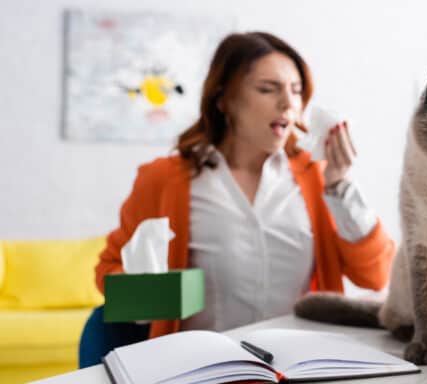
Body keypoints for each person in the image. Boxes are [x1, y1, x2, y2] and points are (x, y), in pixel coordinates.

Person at [79, 32, 395, 367]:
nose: (288, 103)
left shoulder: (319, 179)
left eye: (296, 89)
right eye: (267, 89)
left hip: (296, 368)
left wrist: (340, 186)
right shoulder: (163, 179)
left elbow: (375, 276)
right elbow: (109, 271)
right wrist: (146, 294)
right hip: (197, 369)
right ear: (224, 99)